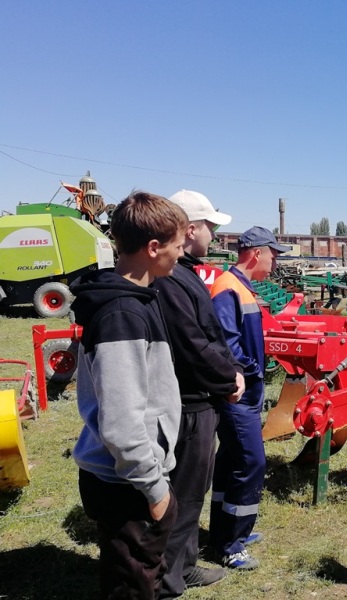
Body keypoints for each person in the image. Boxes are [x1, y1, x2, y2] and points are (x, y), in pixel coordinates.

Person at [70, 192, 188, 599]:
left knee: (140, 578)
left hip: (128, 477)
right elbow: (121, 421)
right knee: (133, 585)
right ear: (153, 248)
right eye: (178, 243)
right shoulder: (123, 313)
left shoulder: (137, 299)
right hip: (129, 483)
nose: (182, 251)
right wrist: (155, 491)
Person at [154, 190, 246, 598]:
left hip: (198, 397)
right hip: (190, 402)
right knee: (185, 493)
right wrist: (228, 379)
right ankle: (168, 581)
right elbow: (192, 343)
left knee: (193, 490)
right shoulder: (173, 280)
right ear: (190, 229)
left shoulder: (186, 273)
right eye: (211, 226)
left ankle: (184, 566)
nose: (215, 234)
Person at [209, 225, 290, 570]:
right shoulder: (228, 289)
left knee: (230, 459)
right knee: (251, 462)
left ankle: (221, 534)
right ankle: (232, 545)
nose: (275, 261)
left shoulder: (242, 286)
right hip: (238, 392)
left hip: (248, 389)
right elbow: (227, 342)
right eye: (273, 254)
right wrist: (253, 367)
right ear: (257, 253)